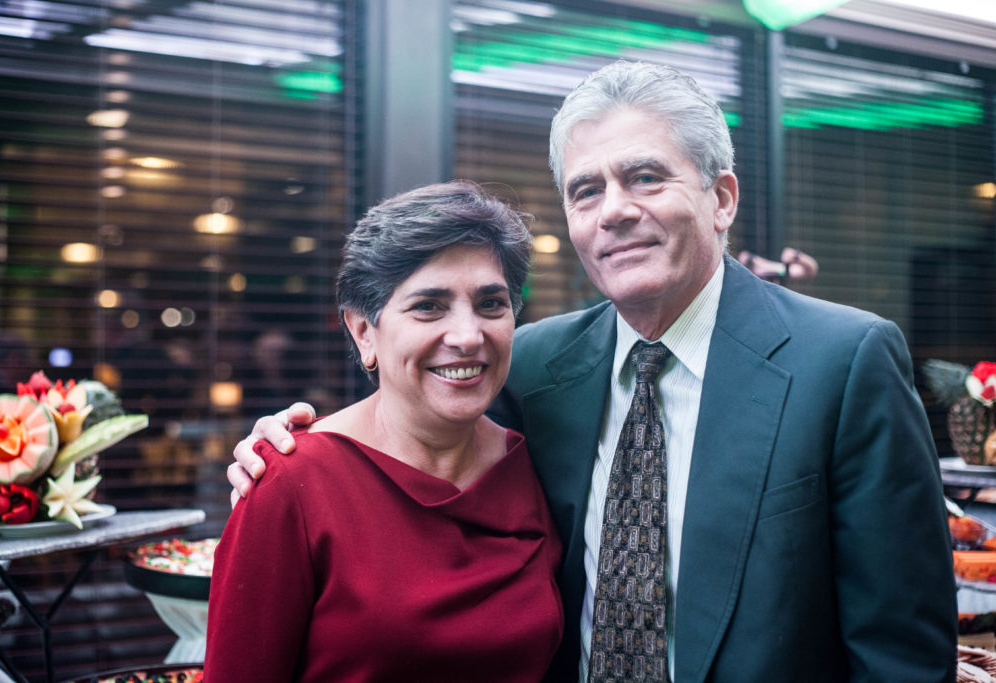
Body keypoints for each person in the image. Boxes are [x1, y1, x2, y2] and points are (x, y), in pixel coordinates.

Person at [230, 62, 957, 682]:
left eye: (645, 177)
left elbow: (900, 651)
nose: (615, 210)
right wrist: (287, 450)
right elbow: (411, 445)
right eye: (586, 190)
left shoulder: (843, 360)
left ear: (722, 198)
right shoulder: (533, 365)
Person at [206, 181, 564, 682]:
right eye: (428, 306)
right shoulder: (290, 482)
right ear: (363, 333)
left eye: (490, 304)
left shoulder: (537, 463)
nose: (467, 335)